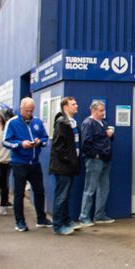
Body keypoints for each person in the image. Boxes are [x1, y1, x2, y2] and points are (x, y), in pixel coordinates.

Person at [4, 97, 52, 232]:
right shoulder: (12, 123)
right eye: (27, 111)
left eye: (31, 110)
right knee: (19, 194)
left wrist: (39, 142)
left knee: (39, 191)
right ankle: (20, 222)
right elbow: (6, 142)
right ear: (21, 109)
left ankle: (41, 218)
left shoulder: (37, 122)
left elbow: (45, 138)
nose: (29, 113)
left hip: (35, 162)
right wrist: (20, 144)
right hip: (19, 163)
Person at [79, 101, 115, 226]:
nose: (103, 113)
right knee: (90, 188)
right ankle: (84, 217)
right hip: (95, 160)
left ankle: (99, 215)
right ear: (93, 111)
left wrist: (110, 135)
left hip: (105, 158)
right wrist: (95, 155)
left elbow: (103, 138)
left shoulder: (103, 123)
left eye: (103, 110)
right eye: (100, 110)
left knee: (104, 188)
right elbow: (85, 143)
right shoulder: (88, 123)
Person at [50, 97, 82, 235]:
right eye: (73, 104)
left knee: (66, 195)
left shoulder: (73, 123)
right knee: (61, 196)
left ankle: (66, 220)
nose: (76, 106)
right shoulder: (62, 123)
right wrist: (69, 160)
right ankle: (58, 225)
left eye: (76, 103)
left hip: (70, 166)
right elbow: (59, 146)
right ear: (65, 107)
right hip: (63, 167)